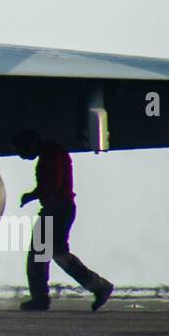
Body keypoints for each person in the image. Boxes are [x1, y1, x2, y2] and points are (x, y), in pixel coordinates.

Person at [14, 130, 113, 311]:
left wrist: (34, 195)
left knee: (44, 255)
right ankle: (96, 286)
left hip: (57, 209)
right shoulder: (52, 153)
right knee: (53, 254)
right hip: (60, 208)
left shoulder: (51, 155)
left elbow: (53, 183)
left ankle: (97, 287)